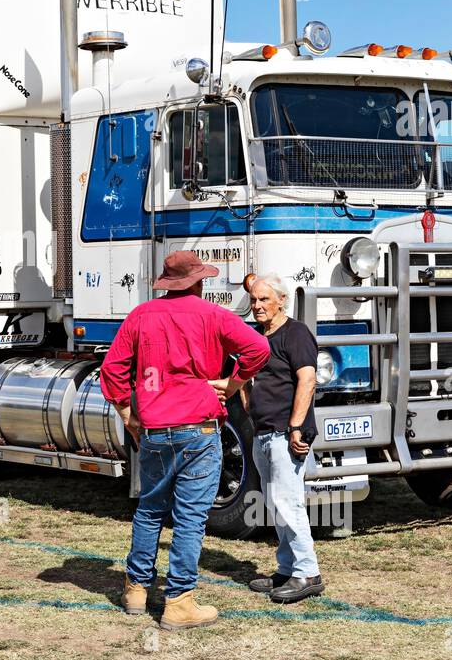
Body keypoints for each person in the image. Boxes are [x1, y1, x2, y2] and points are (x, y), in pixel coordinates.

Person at [101, 251, 270, 630]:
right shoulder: (213, 315)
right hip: (199, 424)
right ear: (199, 282)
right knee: (190, 518)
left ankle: (136, 589)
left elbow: (111, 370)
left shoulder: (141, 316)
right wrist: (233, 382)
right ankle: (178, 601)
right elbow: (258, 349)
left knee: (150, 509)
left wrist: (128, 414)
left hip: (155, 428)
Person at [244, 272, 324, 603]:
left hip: (284, 433)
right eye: (253, 300)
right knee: (275, 503)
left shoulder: (296, 333)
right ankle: (287, 567)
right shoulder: (258, 336)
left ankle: (308, 573)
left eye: (264, 299)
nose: (258, 306)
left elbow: (307, 380)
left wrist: (295, 427)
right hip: (263, 432)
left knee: (288, 503)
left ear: (281, 301)